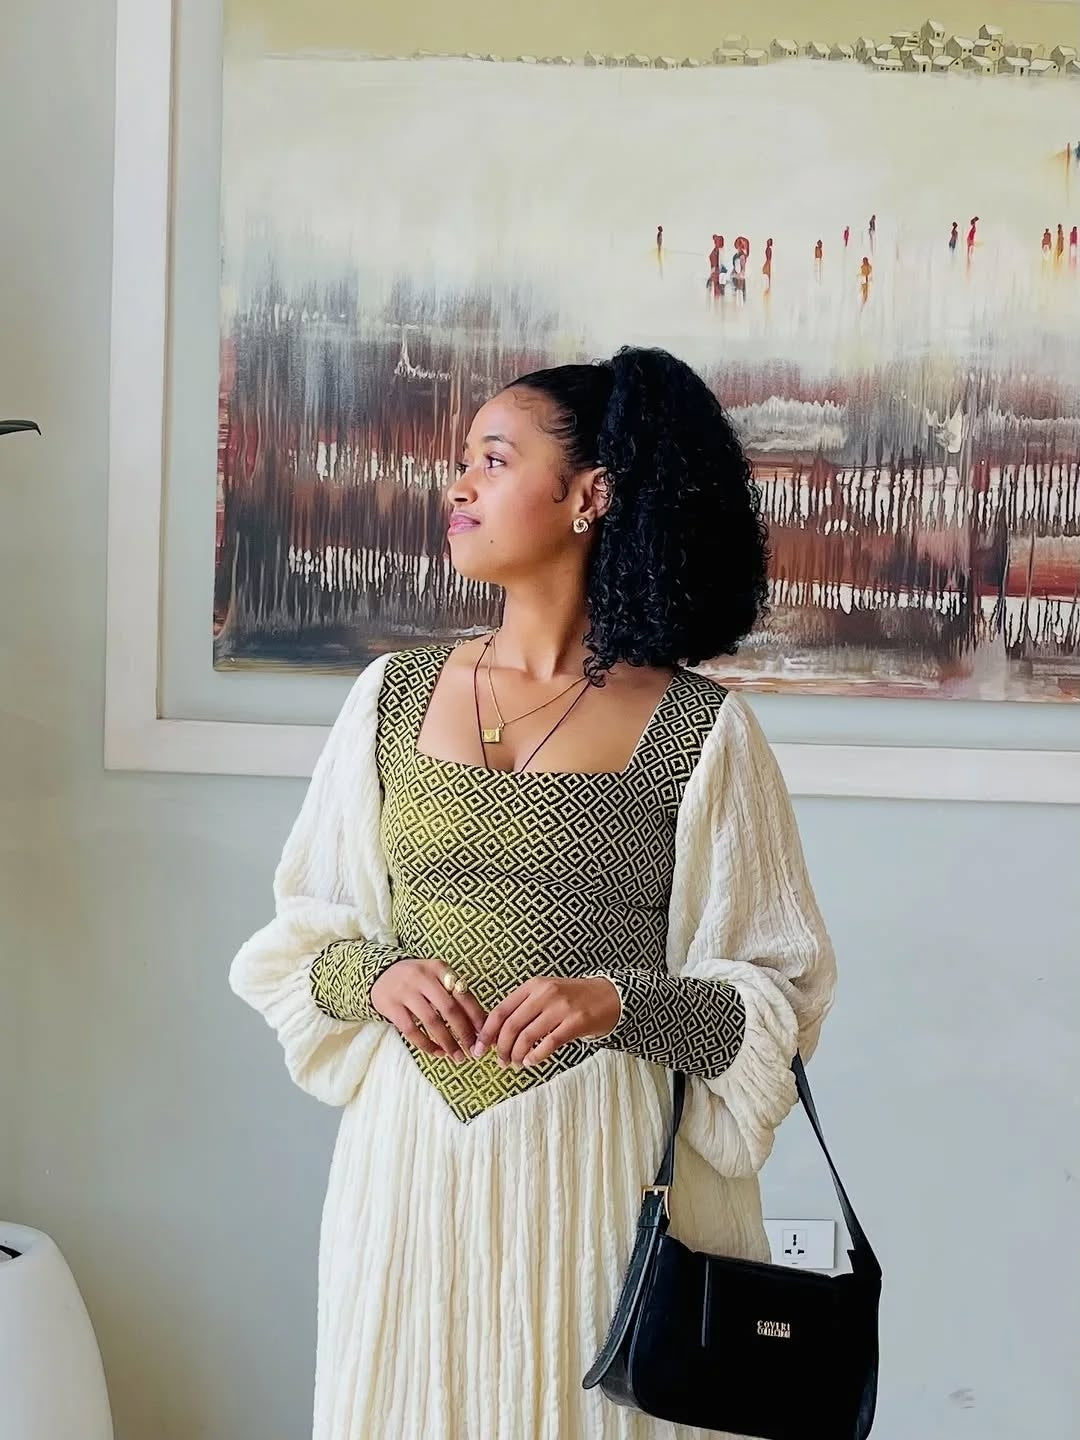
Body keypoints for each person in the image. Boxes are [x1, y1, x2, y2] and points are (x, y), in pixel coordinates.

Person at [230, 347, 836, 1440]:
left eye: (493, 460)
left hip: (606, 1176)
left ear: (590, 493)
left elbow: (776, 1002)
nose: (456, 485)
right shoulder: (391, 697)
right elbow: (301, 938)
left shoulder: (704, 730)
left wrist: (617, 1002)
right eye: (462, 462)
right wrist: (378, 975)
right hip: (411, 1165)